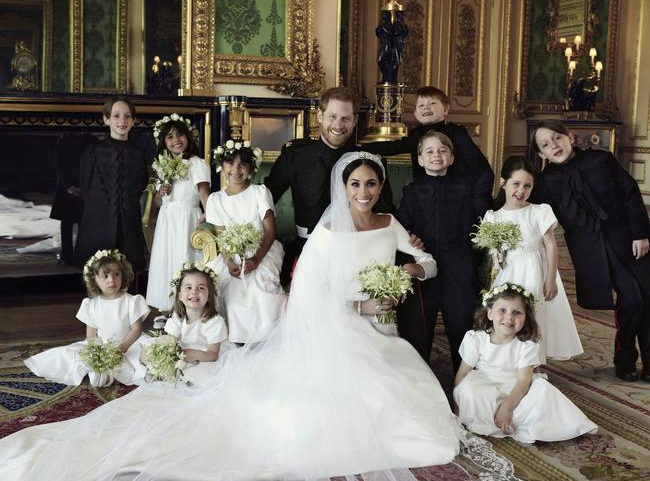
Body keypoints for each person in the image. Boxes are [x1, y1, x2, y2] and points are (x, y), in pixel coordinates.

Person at [0, 152, 464, 481]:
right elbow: (309, 292)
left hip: (384, 329)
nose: (364, 192)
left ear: (382, 187)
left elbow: (430, 263)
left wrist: (411, 268)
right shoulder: (327, 229)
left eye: (372, 184)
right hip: (341, 326)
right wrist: (362, 304)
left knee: (406, 392)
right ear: (344, 188)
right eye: (355, 184)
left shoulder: (389, 223)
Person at [531, 120, 650, 382]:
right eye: (545, 145)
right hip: (591, 250)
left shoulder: (601, 160)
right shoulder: (546, 181)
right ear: (542, 154)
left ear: (570, 137)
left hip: (628, 238)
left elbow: (629, 192)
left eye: (557, 138)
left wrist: (641, 233)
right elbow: (530, 210)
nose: (554, 145)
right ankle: (625, 357)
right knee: (632, 298)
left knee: (646, 297)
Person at [265, 87, 395, 281]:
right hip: (308, 249)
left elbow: (386, 210)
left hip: (357, 250)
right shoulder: (295, 155)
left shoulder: (368, 160)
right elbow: (266, 198)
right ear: (319, 116)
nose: (338, 125)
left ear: (354, 121)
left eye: (345, 118)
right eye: (332, 117)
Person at [453, 283, 597, 443]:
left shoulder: (526, 345)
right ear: (490, 313)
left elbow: (523, 381)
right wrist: (457, 405)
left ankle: (509, 418)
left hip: (516, 392)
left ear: (525, 318)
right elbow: (463, 373)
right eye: (502, 310)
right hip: (485, 390)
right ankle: (493, 419)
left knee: (543, 389)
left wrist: (507, 406)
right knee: (467, 388)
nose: (509, 317)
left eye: (517, 312)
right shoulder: (476, 339)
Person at [483, 155, 583, 363]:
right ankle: (511, 361)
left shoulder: (539, 211)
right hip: (508, 272)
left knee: (535, 315)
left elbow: (550, 245)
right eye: (516, 184)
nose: (521, 190)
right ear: (503, 183)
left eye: (527, 186)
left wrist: (550, 278)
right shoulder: (493, 216)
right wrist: (497, 256)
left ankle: (534, 365)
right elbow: (494, 253)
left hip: (536, 270)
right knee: (509, 316)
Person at [396, 131, 478, 371]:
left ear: (452, 158)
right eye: (429, 151)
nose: (436, 155)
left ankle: (463, 383)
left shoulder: (464, 189)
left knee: (461, 326)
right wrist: (410, 237)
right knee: (418, 328)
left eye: (443, 151)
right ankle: (419, 381)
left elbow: (474, 225)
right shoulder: (411, 191)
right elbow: (403, 225)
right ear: (420, 159)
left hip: (458, 266)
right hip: (425, 267)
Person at [363, 85, 493, 219]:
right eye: (421, 105)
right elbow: (394, 147)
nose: (426, 107)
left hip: (457, 196)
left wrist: (479, 205)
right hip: (426, 197)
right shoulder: (416, 135)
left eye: (432, 103)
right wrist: (361, 148)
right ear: (415, 114)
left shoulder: (456, 132)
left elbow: (481, 169)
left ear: (445, 109)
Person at [24, 249, 150, 387]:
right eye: (105, 276)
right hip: (104, 346)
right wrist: (97, 353)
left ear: (123, 275)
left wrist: (122, 348)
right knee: (71, 355)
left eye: (116, 274)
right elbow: (91, 335)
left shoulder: (132, 301)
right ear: (94, 279)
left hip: (129, 345)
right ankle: (104, 371)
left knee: (145, 359)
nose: (112, 280)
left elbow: (136, 329)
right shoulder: (91, 305)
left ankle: (112, 373)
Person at [206, 140, 286, 343]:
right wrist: (229, 261)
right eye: (230, 163)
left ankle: (266, 336)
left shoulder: (260, 192)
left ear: (251, 168)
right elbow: (222, 236)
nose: (236, 169)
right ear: (222, 166)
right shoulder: (215, 199)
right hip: (231, 253)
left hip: (263, 249)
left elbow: (270, 231)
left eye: (242, 164)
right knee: (229, 289)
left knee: (260, 288)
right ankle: (236, 337)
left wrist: (257, 259)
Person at [73, 97, 149, 271]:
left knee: (128, 270)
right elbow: (85, 187)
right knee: (98, 271)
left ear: (133, 120)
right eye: (116, 116)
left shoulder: (138, 153)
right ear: (106, 119)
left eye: (127, 116)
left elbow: (140, 185)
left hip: (129, 222)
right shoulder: (92, 151)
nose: (122, 121)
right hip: (97, 221)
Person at [145, 114, 211, 312]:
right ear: (163, 142)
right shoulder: (163, 167)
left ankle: (187, 308)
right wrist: (160, 193)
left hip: (186, 219)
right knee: (166, 261)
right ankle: (167, 308)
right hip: (167, 220)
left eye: (180, 135)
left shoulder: (196, 164)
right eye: (170, 137)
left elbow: (204, 195)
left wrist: (209, 219)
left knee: (184, 258)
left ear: (188, 138)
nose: (176, 140)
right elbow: (158, 202)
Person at [143, 262, 229, 387]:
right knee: (147, 349)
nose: (194, 291)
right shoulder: (178, 317)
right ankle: (159, 370)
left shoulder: (214, 322)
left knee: (195, 374)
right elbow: (171, 340)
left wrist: (190, 354)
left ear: (209, 296)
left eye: (201, 288)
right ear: (180, 296)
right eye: (188, 287)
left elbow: (213, 355)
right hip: (182, 352)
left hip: (203, 356)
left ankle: (177, 377)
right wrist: (166, 354)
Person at [50, 134, 96, 265]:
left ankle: (80, 255)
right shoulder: (65, 139)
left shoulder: (91, 140)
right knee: (68, 223)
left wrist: (83, 186)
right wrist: (69, 185)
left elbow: (93, 164)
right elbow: (60, 164)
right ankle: (68, 255)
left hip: (84, 186)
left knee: (83, 223)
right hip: (69, 186)